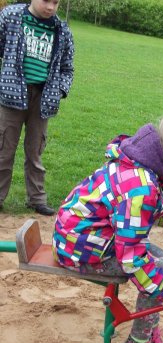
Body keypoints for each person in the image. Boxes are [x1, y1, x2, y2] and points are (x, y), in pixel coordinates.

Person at [52, 96, 163, 343]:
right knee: (157, 270)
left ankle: (147, 334)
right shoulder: (142, 185)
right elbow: (131, 257)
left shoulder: (142, 166)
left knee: (160, 260)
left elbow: (148, 213)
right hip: (80, 249)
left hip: (88, 237)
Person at [0, 0, 74, 215]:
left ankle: (37, 199)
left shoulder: (62, 29)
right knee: (4, 149)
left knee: (35, 151)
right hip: (12, 95)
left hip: (42, 100)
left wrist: (59, 90)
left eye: (56, 2)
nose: (50, 7)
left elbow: (67, 67)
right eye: (46, 1)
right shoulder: (11, 16)